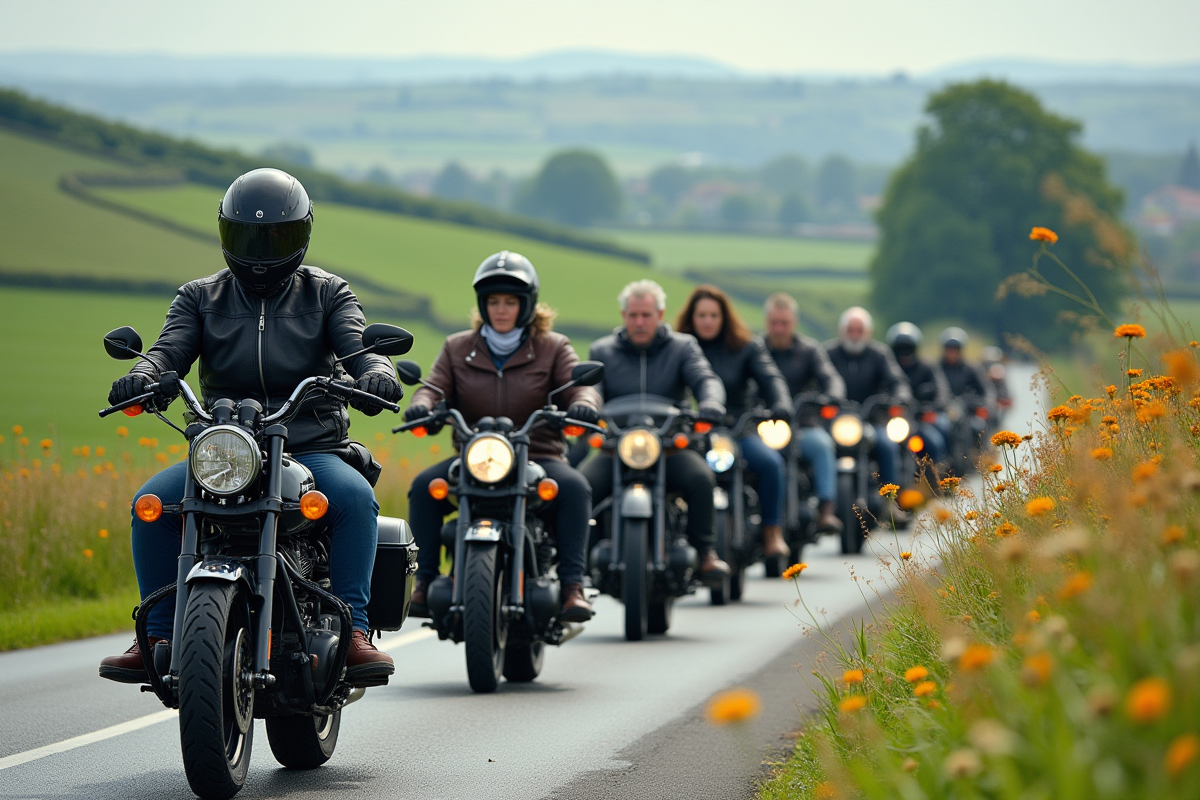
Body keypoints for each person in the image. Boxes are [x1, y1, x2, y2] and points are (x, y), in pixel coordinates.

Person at [100, 168, 403, 685]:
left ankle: (354, 630)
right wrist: (143, 375)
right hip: (224, 453)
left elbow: (359, 348)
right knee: (151, 506)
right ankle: (155, 636)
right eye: (246, 236)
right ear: (224, 234)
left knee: (354, 499)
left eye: (276, 237)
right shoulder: (199, 297)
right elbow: (168, 349)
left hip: (309, 448)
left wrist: (377, 374)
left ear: (301, 235)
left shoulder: (329, 293)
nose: (260, 251)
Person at [403, 252, 600, 622]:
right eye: (494, 302)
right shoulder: (457, 347)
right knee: (424, 487)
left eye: (510, 302)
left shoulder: (553, 347)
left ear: (527, 306)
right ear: (483, 304)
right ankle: (424, 582)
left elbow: (579, 386)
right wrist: (423, 405)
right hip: (477, 458)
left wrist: (584, 403)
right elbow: (432, 388)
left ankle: (573, 586)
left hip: (538, 455)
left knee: (575, 487)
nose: (502, 309)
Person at [581, 279, 732, 583]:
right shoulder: (602, 350)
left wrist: (711, 401)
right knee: (580, 486)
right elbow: (591, 388)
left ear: (660, 314)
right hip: (616, 448)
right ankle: (575, 565)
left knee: (701, 478)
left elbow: (706, 379)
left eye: (646, 315)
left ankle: (705, 553)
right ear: (623, 315)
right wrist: (586, 403)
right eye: (633, 315)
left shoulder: (683, 346)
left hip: (669, 446)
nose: (639, 322)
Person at [675, 286, 793, 557]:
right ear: (691, 318)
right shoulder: (679, 347)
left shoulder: (746, 347)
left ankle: (771, 531)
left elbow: (771, 378)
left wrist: (781, 403)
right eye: (701, 315)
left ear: (724, 317)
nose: (707, 321)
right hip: (694, 432)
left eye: (713, 315)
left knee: (770, 463)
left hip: (739, 429)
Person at [762, 293, 844, 535]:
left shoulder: (810, 350)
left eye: (784, 323)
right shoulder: (757, 349)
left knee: (822, 445)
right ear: (767, 322)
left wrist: (832, 395)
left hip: (803, 425)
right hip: (765, 426)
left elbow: (831, 378)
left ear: (794, 322)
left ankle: (826, 509)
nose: (778, 328)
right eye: (774, 323)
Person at [824, 307, 911, 494]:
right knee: (820, 446)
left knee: (887, 445)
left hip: (871, 419)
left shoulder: (880, 354)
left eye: (859, 330)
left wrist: (900, 397)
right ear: (842, 331)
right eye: (850, 330)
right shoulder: (827, 353)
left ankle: (891, 501)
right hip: (835, 421)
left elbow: (898, 381)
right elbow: (818, 379)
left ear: (868, 332)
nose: (854, 335)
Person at [885, 321, 951, 465]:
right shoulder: (888, 367)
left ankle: (940, 477)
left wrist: (934, 407)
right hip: (893, 420)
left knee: (935, 440)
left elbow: (942, 391)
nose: (903, 354)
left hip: (920, 418)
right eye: (899, 349)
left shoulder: (927, 367)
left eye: (907, 348)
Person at [939, 328, 996, 412]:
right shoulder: (937, 368)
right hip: (944, 409)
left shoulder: (973, 368)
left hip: (969, 411)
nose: (952, 352)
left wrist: (986, 405)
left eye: (955, 348)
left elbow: (987, 390)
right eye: (949, 348)